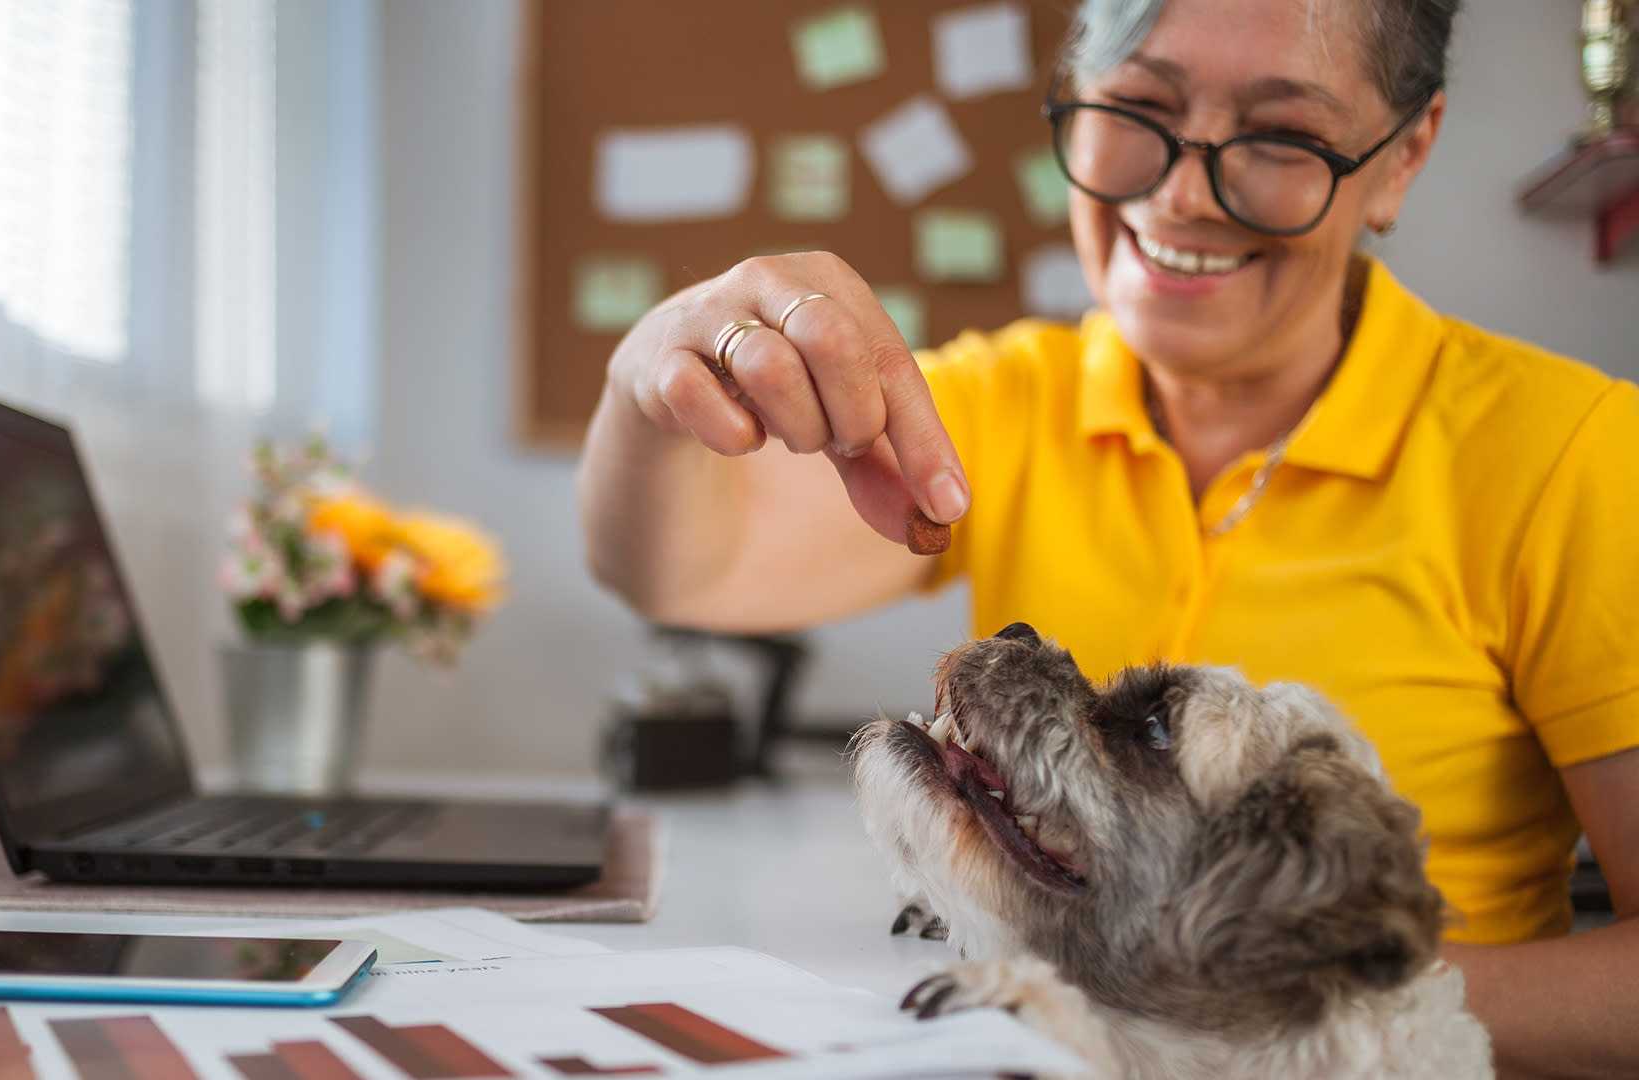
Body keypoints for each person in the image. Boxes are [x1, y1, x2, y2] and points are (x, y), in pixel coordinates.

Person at [574, 0, 1639, 1076]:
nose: (1180, 193)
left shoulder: (1574, 454)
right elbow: (674, 569)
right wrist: (650, 379)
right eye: (1138, 107)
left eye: (1278, 135)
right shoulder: (1009, 405)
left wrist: (1260, 1015)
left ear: (1403, 155)